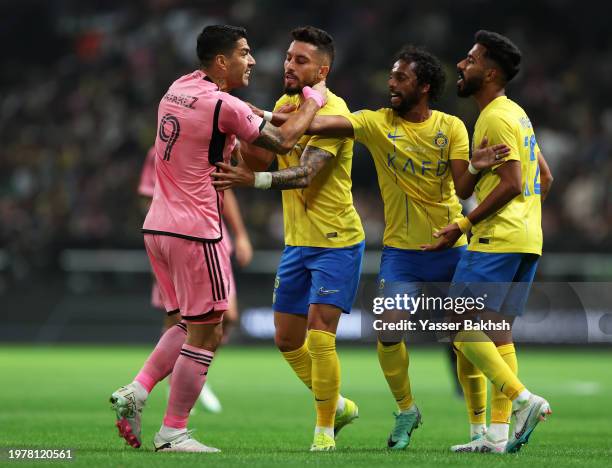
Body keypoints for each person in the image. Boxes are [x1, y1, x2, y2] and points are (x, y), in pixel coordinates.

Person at [229, 45, 511, 450]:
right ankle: (406, 410)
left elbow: (463, 187)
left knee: (464, 337)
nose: (391, 84)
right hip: (400, 252)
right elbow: (318, 125)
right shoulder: (375, 122)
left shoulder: (451, 127)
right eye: (391, 77)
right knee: (388, 330)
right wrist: (253, 113)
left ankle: (479, 429)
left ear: (425, 86)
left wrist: (477, 167)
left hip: (451, 245)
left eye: (401, 78)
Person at [110, 24, 327, 453]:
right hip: (196, 230)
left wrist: (261, 112)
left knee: (185, 322)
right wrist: (314, 101)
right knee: (208, 332)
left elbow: (244, 112)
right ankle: (173, 432)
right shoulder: (219, 106)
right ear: (222, 62)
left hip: (158, 227)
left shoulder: (178, 88)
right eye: (245, 53)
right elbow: (283, 141)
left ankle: (136, 390)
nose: (252, 61)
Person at [212, 26, 363, 452]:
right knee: (286, 339)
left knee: (319, 334)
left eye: (300, 60)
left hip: (337, 241)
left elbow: (304, 173)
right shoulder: (284, 105)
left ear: (323, 69)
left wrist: (252, 178)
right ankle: (338, 404)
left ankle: (324, 430)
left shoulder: (334, 110)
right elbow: (265, 147)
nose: (289, 65)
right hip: (297, 243)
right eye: (288, 57)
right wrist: (239, 131)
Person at [431, 30, 553, 453]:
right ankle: (497, 437)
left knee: (456, 324)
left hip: (496, 239)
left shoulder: (494, 116)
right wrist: (526, 218)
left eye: (471, 59)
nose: (462, 65)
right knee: (497, 335)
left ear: (492, 71)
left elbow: (513, 181)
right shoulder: (519, 115)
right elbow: (545, 178)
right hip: (525, 239)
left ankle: (523, 399)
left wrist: (465, 224)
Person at [137, 146, 253, 413]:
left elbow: (225, 187)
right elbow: (146, 195)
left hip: (211, 237)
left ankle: (195, 376)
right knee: (178, 318)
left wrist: (241, 234)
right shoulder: (159, 151)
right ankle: (172, 384)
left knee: (228, 316)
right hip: (176, 235)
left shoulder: (210, 142)